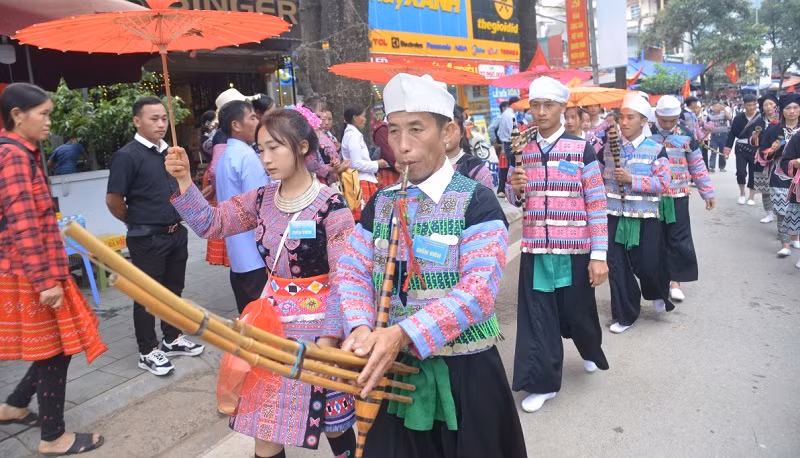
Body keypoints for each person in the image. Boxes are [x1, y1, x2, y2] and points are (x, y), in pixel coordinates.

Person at [335, 73, 527, 458]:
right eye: (393, 132)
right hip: (392, 374)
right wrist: (359, 325)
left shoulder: (478, 201)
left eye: (416, 130)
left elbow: (478, 293)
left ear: (448, 132)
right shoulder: (381, 203)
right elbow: (352, 269)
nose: (402, 147)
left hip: (465, 376)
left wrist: (402, 334)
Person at [166, 108, 357, 458]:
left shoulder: (332, 205)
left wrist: (328, 344)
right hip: (270, 330)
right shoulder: (261, 199)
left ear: (301, 146)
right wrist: (183, 181)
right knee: (265, 427)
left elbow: (346, 280)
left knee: (335, 425)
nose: (266, 158)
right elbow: (211, 223)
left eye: (274, 148)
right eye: (260, 149)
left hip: (319, 334)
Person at [0, 82, 106, 456]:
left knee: (56, 347)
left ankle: (14, 405)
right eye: (42, 114)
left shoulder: (19, 152)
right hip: (32, 272)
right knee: (54, 351)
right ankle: (53, 437)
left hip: (32, 268)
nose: (49, 122)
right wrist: (46, 281)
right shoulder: (13, 156)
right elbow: (22, 223)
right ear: (17, 115)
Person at [507, 77, 610, 413]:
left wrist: (599, 255)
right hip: (536, 250)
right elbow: (515, 198)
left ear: (562, 109)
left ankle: (590, 348)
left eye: (547, 106)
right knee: (539, 318)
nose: (540, 112)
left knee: (577, 314)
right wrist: (516, 186)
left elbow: (596, 202)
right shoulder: (524, 150)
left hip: (575, 250)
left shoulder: (582, 149)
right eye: (534, 105)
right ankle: (543, 382)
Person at [106, 96, 205, 376]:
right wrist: (135, 222)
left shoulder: (171, 153)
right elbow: (114, 200)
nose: (161, 124)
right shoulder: (127, 156)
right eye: (154, 119)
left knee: (174, 291)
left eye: (164, 118)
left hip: (176, 233)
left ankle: (171, 338)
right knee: (148, 295)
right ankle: (147, 350)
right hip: (146, 237)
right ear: (137, 121)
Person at [601, 93, 672, 334]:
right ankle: (625, 314)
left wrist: (633, 180)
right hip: (614, 214)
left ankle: (657, 291)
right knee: (617, 266)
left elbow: (663, 183)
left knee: (649, 265)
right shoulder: (609, 147)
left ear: (644, 121)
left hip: (644, 216)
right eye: (621, 117)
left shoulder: (656, 150)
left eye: (630, 117)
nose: (624, 122)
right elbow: (596, 176)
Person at [650, 96, 716, 303]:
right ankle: (657, 280)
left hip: (678, 196)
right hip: (651, 197)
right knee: (655, 240)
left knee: (678, 239)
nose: (668, 125)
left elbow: (697, 165)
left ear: (679, 117)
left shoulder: (686, 136)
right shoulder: (646, 134)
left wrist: (708, 192)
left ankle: (675, 281)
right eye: (664, 120)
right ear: (656, 116)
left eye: (672, 120)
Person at [215, 100, 271, 313]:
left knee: (248, 315)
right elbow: (260, 202)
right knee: (261, 317)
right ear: (236, 125)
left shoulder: (227, 155)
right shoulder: (246, 156)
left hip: (239, 252)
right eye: (253, 118)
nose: (258, 122)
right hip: (254, 252)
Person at [757, 93, 800, 258]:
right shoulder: (774, 130)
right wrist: (772, 150)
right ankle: (785, 244)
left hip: (798, 176)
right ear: (782, 111)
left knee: (797, 208)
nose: (792, 111)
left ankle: (795, 236)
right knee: (782, 209)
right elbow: (762, 153)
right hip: (779, 173)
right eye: (788, 108)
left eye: (795, 107)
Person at [341, 104, 389, 220]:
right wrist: (377, 164)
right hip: (361, 182)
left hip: (364, 180)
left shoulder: (352, 135)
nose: (365, 119)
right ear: (355, 118)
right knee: (366, 219)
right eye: (363, 116)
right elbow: (356, 164)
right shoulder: (352, 136)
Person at [725, 94, 761, 205]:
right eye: (749, 105)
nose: (752, 107)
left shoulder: (761, 117)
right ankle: (742, 193)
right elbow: (732, 134)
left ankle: (751, 196)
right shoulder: (738, 118)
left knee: (753, 173)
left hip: (756, 149)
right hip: (741, 148)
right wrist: (727, 150)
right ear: (744, 105)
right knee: (741, 172)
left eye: (754, 105)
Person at [447, 106, 494, 189]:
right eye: (442, 129)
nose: (447, 134)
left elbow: (488, 199)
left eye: (451, 129)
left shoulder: (475, 168)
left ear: (462, 132)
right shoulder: (425, 167)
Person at [754, 94, 780, 224]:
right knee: (764, 188)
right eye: (765, 105)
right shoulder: (759, 121)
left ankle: (781, 213)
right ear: (762, 108)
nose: (769, 107)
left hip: (780, 158)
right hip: (762, 158)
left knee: (782, 188)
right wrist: (754, 136)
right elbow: (752, 141)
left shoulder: (783, 119)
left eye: (771, 104)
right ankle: (769, 213)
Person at [496, 96, 520, 198]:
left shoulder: (506, 114)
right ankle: (510, 190)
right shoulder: (510, 116)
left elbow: (499, 131)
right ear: (515, 104)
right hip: (510, 143)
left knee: (509, 166)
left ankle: (507, 189)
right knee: (512, 166)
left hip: (506, 143)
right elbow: (513, 132)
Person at [707, 100, 732, 172]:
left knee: (722, 151)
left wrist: (724, 109)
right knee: (713, 151)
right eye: (714, 106)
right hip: (714, 136)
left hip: (723, 135)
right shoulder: (709, 115)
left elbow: (730, 118)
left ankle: (722, 167)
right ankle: (712, 167)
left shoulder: (723, 114)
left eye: (717, 106)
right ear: (712, 108)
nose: (716, 108)